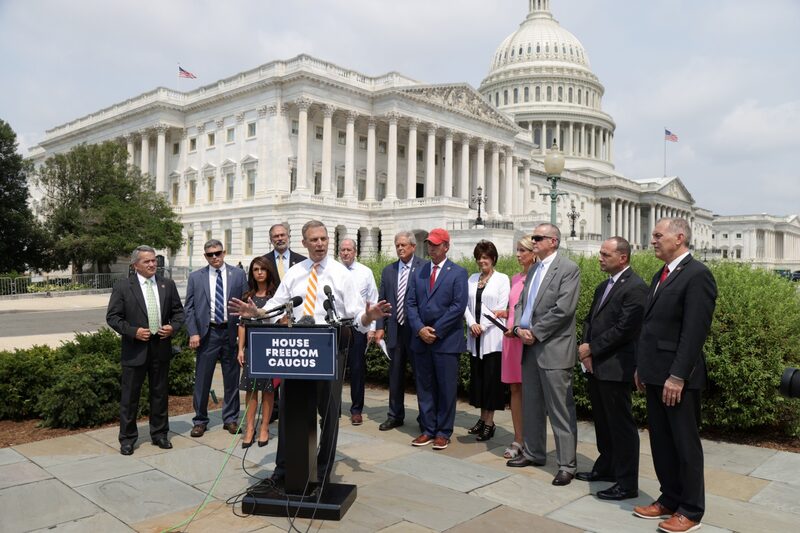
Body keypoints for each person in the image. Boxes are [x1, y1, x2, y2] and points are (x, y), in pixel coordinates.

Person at [229, 219, 390, 485]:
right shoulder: (295, 273)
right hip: (297, 349)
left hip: (329, 347)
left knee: (328, 413)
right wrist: (256, 313)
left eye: (324, 239)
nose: (319, 244)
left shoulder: (341, 274)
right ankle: (283, 469)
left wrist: (369, 316)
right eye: (314, 240)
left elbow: (357, 317)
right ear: (303, 243)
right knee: (291, 410)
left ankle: (323, 470)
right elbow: (276, 306)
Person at [633, 218, 717, 533]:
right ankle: (669, 498)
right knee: (662, 443)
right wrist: (642, 367)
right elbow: (651, 328)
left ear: (679, 237)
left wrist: (678, 375)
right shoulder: (661, 274)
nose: (653, 240)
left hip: (678, 378)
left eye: (658, 235)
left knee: (685, 444)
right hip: (655, 374)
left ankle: (691, 510)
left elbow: (694, 332)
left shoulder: (697, 275)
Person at [507, 223, 580, 487]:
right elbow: (520, 304)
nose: (533, 241)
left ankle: (566, 464)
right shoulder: (535, 268)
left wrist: (534, 332)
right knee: (532, 405)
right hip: (529, 346)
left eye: (538, 238)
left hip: (553, 349)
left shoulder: (568, 269)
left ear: (553, 241)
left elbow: (564, 310)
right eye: (533, 237)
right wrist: (516, 327)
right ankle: (534, 452)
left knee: (560, 409)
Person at [576, 237, 647, 500]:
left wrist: (591, 348)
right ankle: (607, 467)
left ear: (623, 258)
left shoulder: (636, 287)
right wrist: (586, 349)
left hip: (616, 367)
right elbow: (589, 320)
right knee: (603, 423)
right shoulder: (603, 286)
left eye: (606, 254)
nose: (600, 258)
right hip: (596, 365)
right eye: (600, 253)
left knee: (621, 426)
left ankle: (627, 483)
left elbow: (625, 329)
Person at [106, 245, 184, 456]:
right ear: (135, 265)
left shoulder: (167, 285)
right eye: (147, 261)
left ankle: (160, 434)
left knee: (159, 394)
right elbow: (113, 317)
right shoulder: (123, 287)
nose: (152, 264)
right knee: (130, 396)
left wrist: (173, 327)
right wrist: (133, 332)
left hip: (161, 348)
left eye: (154, 260)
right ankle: (128, 439)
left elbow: (179, 312)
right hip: (135, 350)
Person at [406, 228, 468, 450]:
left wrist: (435, 330)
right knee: (425, 387)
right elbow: (410, 303)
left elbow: (458, 307)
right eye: (429, 244)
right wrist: (420, 329)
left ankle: (443, 431)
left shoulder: (458, 272)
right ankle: (428, 429)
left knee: (446, 388)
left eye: (435, 244)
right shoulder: (419, 271)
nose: (431, 247)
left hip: (446, 341)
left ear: (446, 246)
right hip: (421, 340)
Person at [184, 239, 248, 438]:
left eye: (217, 253)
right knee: (202, 379)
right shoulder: (196, 277)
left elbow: (245, 305)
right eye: (210, 254)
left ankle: (230, 419)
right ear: (205, 256)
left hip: (230, 332)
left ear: (224, 252)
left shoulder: (238, 275)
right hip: (207, 334)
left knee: (231, 379)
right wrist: (193, 332)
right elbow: (189, 308)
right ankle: (200, 420)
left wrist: (243, 336)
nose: (215, 257)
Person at [375, 231, 424, 431]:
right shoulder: (388, 271)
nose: (400, 248)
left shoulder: (424, 268)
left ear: (413, 246)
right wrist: (379, 328)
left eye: (404, 245)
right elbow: (382, 302)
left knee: (421, 376)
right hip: (395, 330)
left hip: (416, 331)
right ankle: (395, 415)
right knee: (395, 376)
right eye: (397, 245)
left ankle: (425, 418)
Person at [464, 240, 509, 442]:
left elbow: (501, 308)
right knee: (479, 381)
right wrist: (471, 323)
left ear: (493, 259)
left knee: (491, 382)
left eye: (486, 257)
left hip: (491, 339)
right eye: (479, 257)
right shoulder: (472, 278)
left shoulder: (502, 279)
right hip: (475, 338)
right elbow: (464, 304)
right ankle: (482, 419)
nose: (482, 261)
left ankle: (490, 423)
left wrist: (482, 326)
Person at [499, 236, 537, 459]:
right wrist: (505, 315)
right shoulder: (515, 278)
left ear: (533, 253)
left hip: (525, 339)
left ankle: (531, 439)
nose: (517, 254)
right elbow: (514, 308)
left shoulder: (537, 278)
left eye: (522, 250)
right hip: (510, 338)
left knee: (530, 391)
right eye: (517, 250)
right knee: (514, 389)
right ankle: (518, 437)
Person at [236, 256, 280, 448]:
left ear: (268, 271)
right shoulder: (248, 296)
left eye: (263, 269)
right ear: (252, 273)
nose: (259, 272)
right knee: (251, 389)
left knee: (268, 391)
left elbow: (282, 322)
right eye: (255, 269)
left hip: (270, 348)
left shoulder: (276, 296)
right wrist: (240, 349)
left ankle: (264, 428)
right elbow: (242, 325)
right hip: (252, 348)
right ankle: (250, 428)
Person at [338, 238, 379, 425]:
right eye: (342, 249)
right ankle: (333, 407)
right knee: (335, 370)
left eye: (349, 250)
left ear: (355, 252)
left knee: (357, 370)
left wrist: (371, 328)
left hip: (358, 327)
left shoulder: (365, 272)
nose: (345, 253)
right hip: (337, 327)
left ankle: (356, 410)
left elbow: (373, 300)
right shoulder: (333, 271)